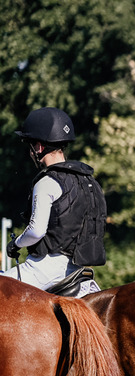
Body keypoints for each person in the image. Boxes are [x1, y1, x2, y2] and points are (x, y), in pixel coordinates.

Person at [2, 107, 106, 293]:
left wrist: (15, 243)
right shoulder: (91, 182)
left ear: (39, 147)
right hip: (79, 273)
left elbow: (36, 231)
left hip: (43, 271)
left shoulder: (47, 181)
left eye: (31, 146)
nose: (30, 153)